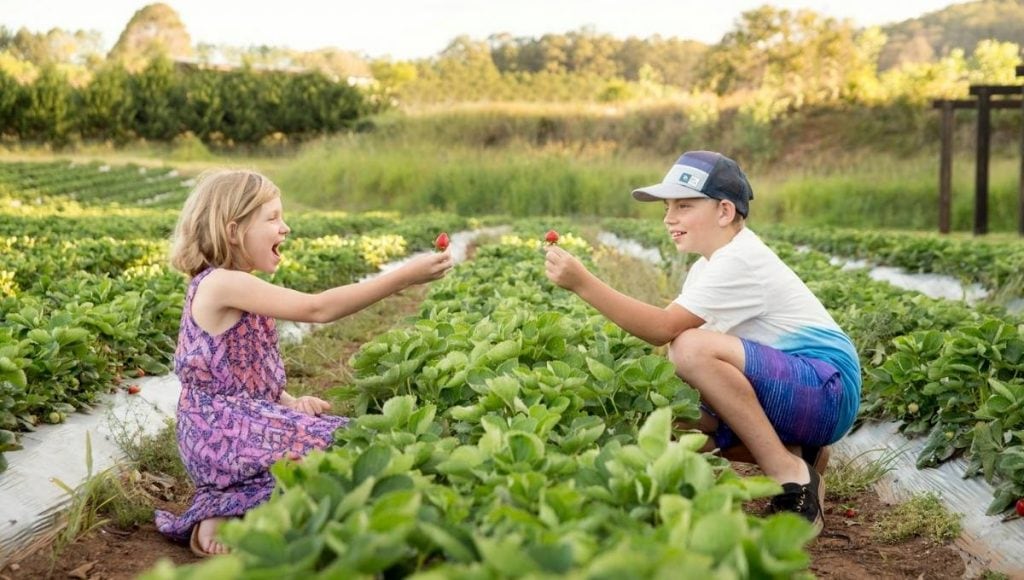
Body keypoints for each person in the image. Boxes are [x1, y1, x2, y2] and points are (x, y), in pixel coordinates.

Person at [544, 151, 860, 530]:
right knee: (676, 420)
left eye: (684, 205)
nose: (669, 217)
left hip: (827, 391)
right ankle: (799, 451)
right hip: (802, 394)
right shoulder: (707, 266)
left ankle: (790, 474)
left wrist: (583, 283)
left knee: (689, 347)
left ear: (724, 212)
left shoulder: (739, 259)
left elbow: (664, 329)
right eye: (667, 207)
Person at [156, 169, 453, 555]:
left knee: (345, 437)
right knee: (345, 446)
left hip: (231, 427)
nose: (285, 228)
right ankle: (217, 512)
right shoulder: (223, 283)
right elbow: (317, 308)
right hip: (220, 435)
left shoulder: (238, 285)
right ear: (233, 230)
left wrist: (289, 403)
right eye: (273, 218)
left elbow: (237, 380)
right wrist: (403, 278)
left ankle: (231, 510)